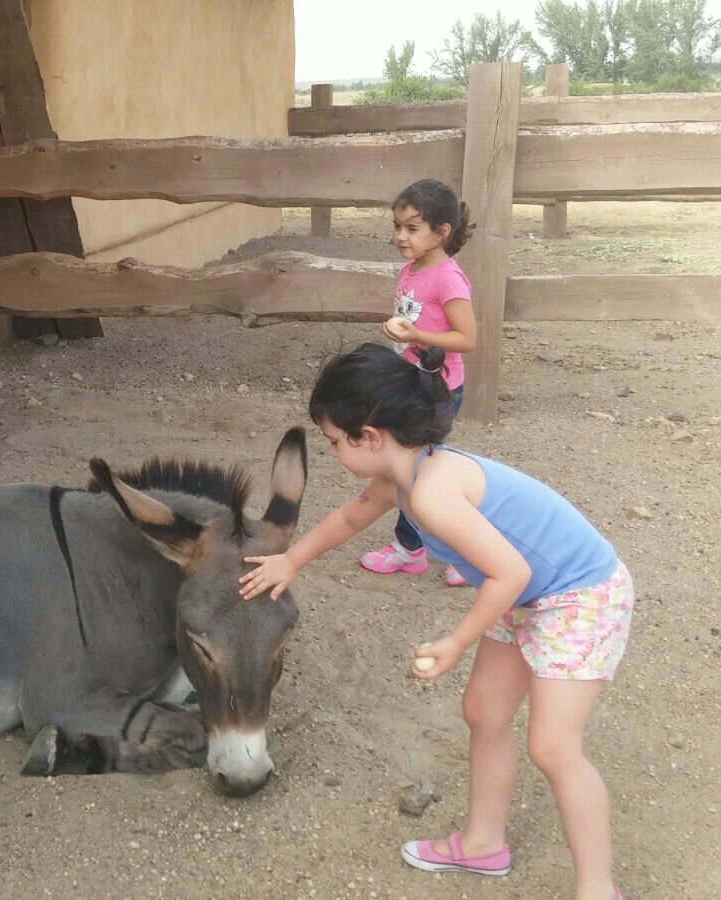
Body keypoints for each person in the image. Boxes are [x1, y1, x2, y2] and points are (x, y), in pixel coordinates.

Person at [239, 343, 633, 900]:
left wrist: (456, 641)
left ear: (369, 436)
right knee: (484, 711)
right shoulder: (406, 474)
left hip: (577, 595)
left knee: (552, 746)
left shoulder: (433, 492)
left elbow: (510, 574)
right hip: (527, 594)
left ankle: (597, 889)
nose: (332, 452)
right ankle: (483, 844)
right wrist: (292, 559)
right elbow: (352, 515)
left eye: (333, 441)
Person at [363, 178, 477, 587]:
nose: (399, 236)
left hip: (439, 389)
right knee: (412, 471)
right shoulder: (411, 269)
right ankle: (413, 549)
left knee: (423, 474)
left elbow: (466, 339)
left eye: (411, 228)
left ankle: (461, 551)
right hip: (411, 382)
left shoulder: (449, 278)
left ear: (442, 231)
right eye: (396, 226)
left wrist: (415, 336)